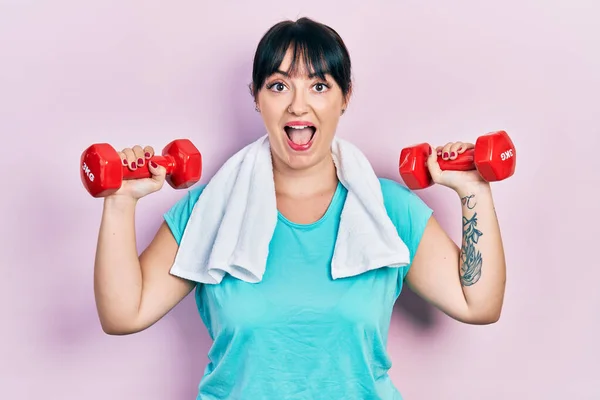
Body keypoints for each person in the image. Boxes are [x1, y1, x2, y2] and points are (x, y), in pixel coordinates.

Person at [93, 17, 507, 400]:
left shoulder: (388, 210)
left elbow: (479, 304)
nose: (297, 105)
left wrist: (474, 190)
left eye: (319, 86)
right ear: (256, 98)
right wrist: (120, 201)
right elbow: (124, 314)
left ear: (345, 98)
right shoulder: (210, 209)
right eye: (278, 86)